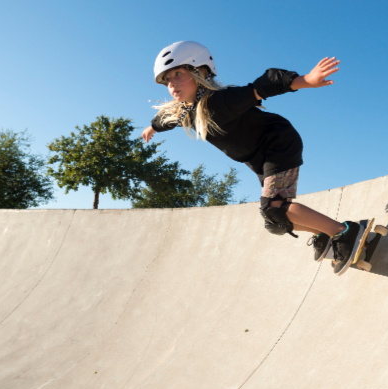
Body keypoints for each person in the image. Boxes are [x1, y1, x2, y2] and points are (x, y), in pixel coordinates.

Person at [142, 41, 363, 267]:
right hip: (260, 160)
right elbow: (165, 120)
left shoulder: (221, 100)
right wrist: (151, 128)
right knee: (273, 220)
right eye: (167, 80)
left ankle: (345, 231)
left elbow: (261, 86)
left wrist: (305, 81)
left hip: (277, 144)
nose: (172, 83)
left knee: (274, 208)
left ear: (200, 71)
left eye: (178, 73)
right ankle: (325, 233)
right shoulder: (184, 113)